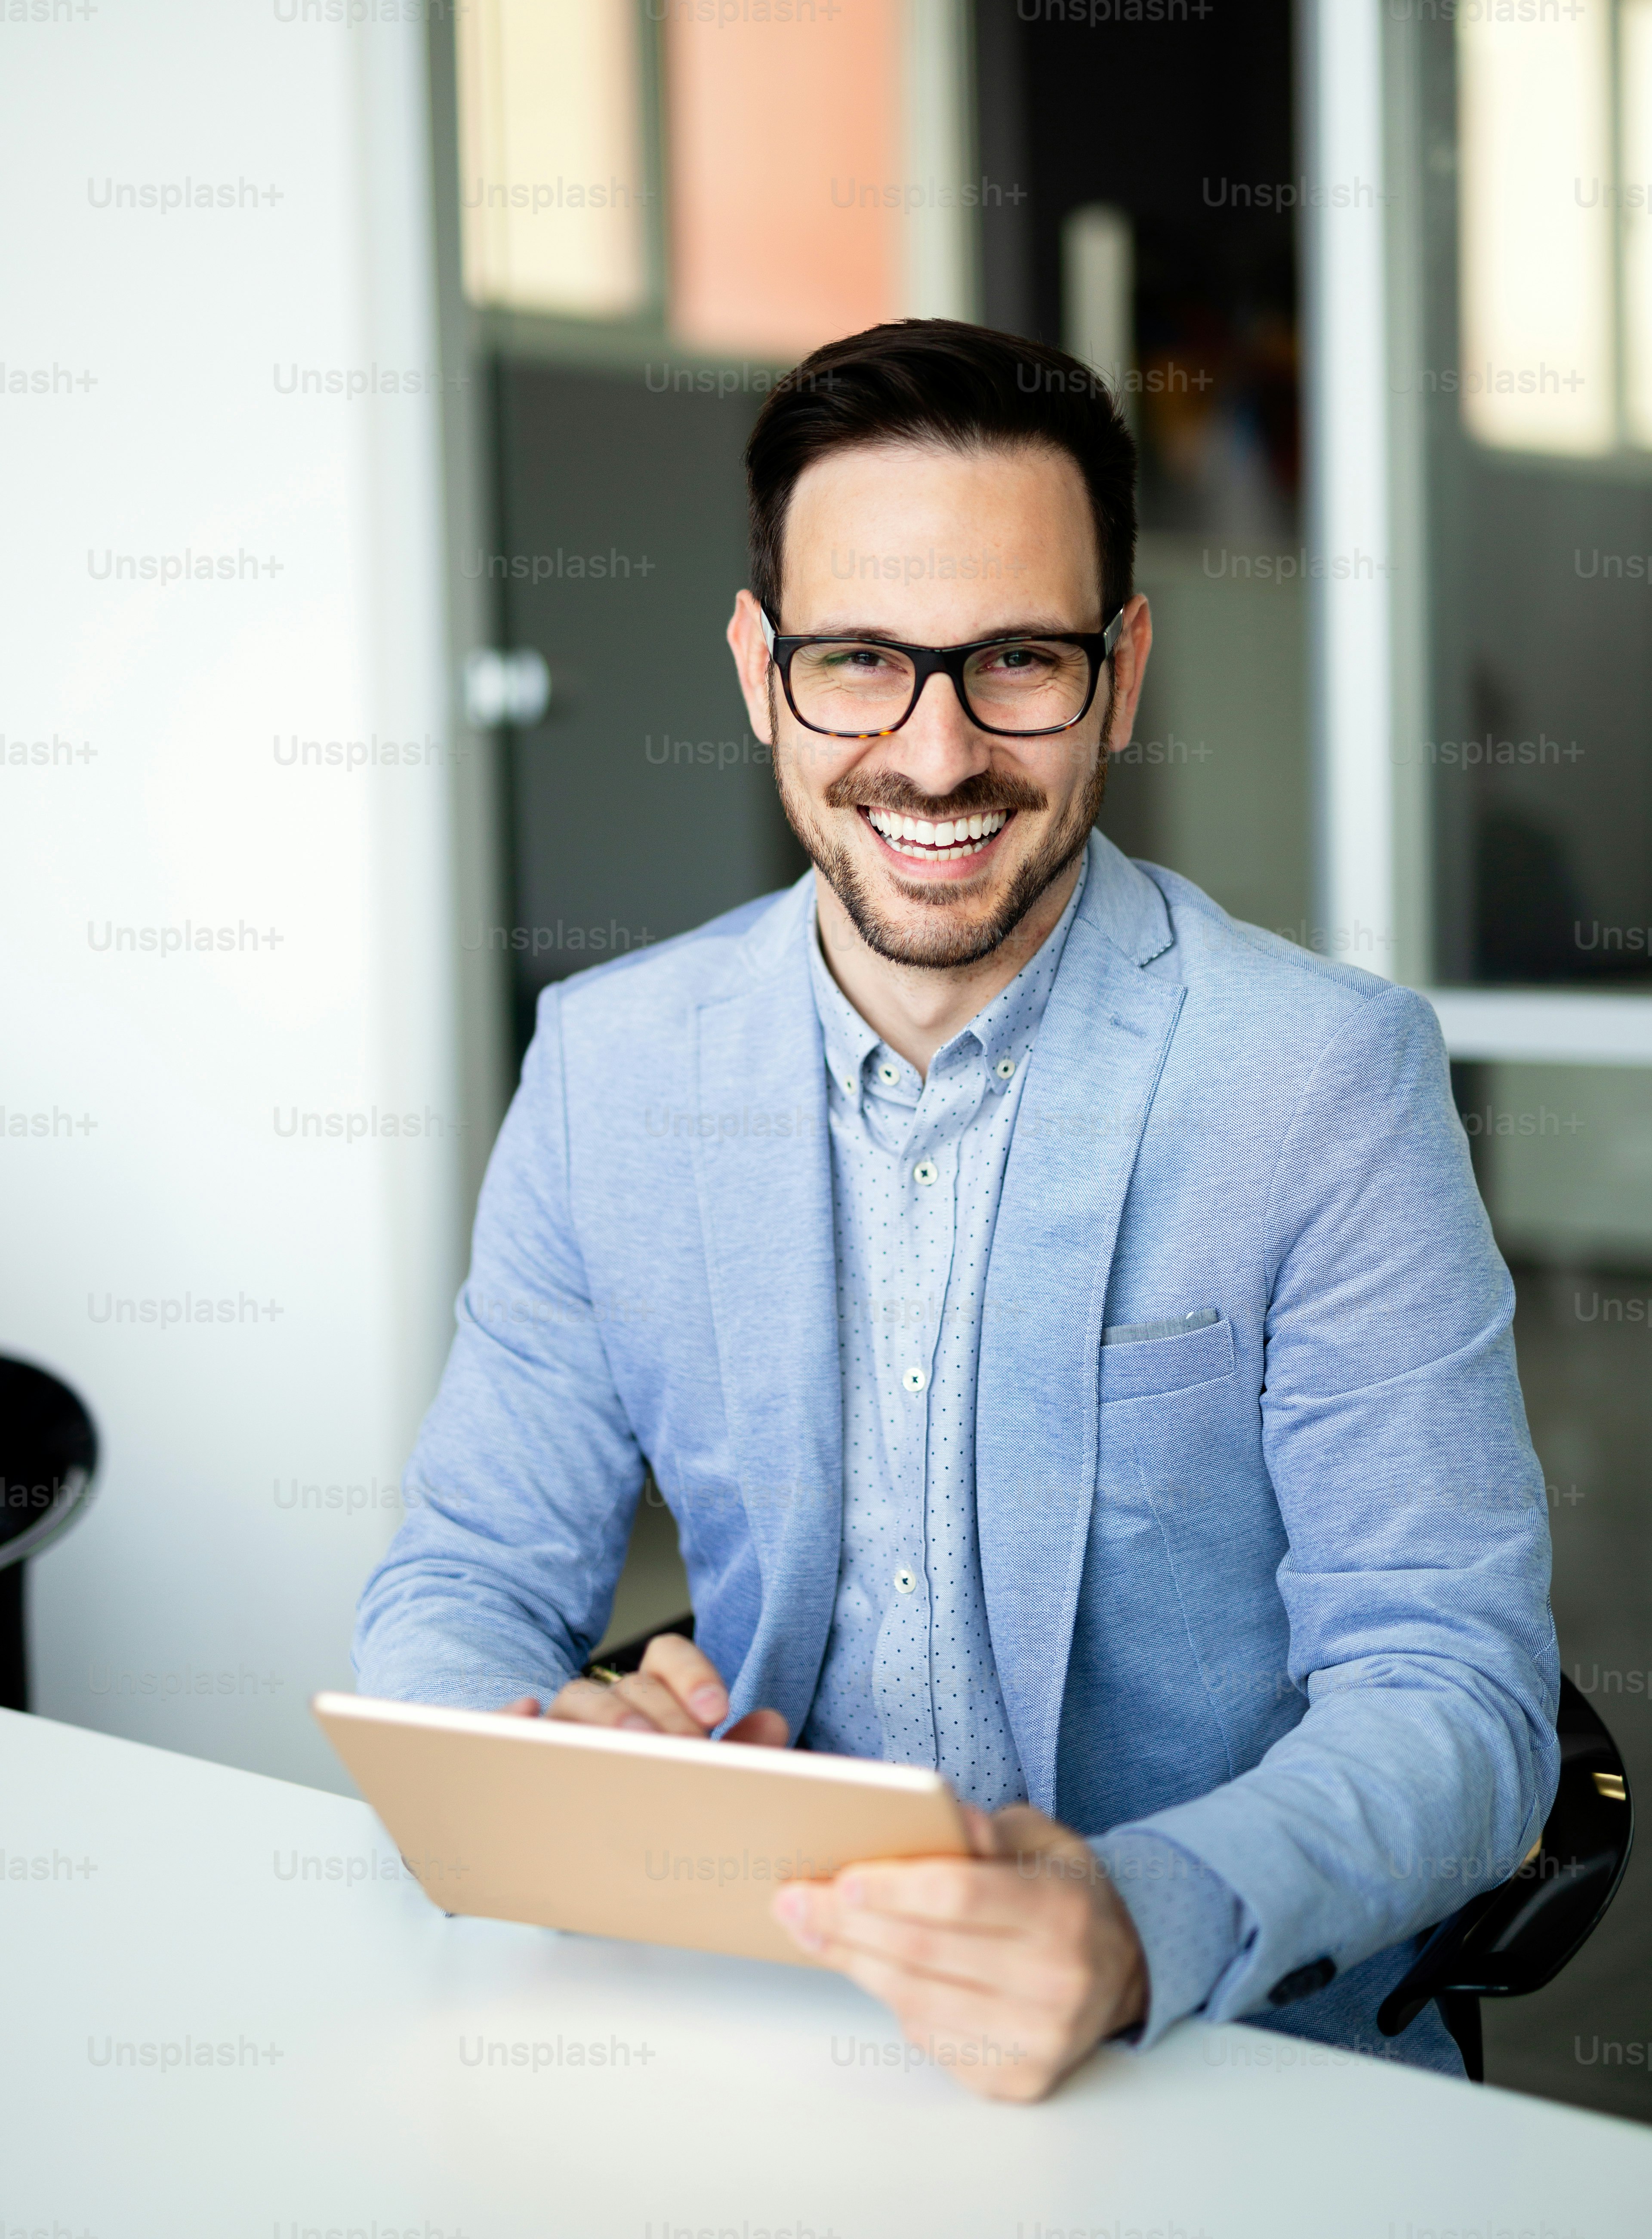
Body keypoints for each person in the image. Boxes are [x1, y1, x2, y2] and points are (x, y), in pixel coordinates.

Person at [354, 317, 1558, 2101]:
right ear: (761, 671)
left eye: (1014, 660)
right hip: (761, 2023)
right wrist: (541, 1741)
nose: (933, 757)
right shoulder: (608, 1071)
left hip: (1221, 2054)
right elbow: (457, 1583)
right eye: (857, 660)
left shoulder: (1324, 1082)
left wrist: (1141, 1915)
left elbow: (1457, 1691)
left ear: (1122, 673)